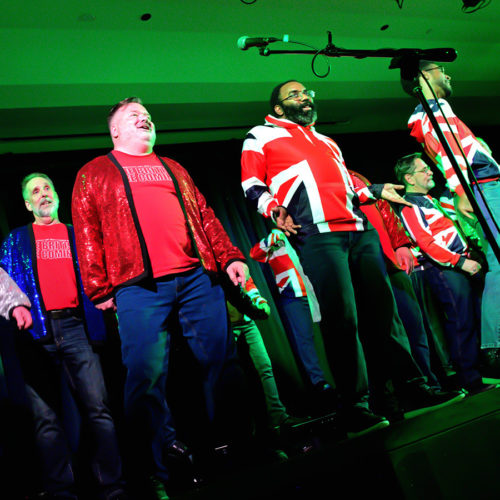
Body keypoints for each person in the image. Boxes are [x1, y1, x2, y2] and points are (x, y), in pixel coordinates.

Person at [241, 80, 461, 437]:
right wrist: (273, 208)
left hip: (360, 230)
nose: (304, 97)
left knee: (384, 312)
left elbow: (350, 187)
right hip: (318, 235)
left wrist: (374, 190)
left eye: (306, 92)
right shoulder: (260, 135)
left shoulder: (327, 141)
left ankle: (411, 388)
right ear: (279, 108)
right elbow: (251, 184)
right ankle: (355, 406)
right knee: (342, 318)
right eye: (293, 94)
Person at [71, 97, 248, 498]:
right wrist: (99, 288)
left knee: (222, 359)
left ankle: (228, 444)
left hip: (196, 278)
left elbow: (204, 214)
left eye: (147, 116)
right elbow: (86, 230)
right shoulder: (95, 172)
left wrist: (230, 256)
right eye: (134, 116)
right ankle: (159, 461)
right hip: (138, 286)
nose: (145, 119)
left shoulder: (174, 167)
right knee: (145, 375)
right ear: (115, 130)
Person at [0, 173, 126, 500]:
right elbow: (4, 287)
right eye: (35, 191)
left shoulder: (78, 235)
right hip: (36, 334)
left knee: (98, 408)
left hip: (75, 329)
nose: (44, 194)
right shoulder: (15, 240)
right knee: (45, 419)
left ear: (56, 195)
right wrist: (16, 310)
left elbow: (101, 273)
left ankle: (111, 486)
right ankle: (61, 491)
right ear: (27, 204)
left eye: (47, 188)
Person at [406, 61, 500, 370]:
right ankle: (493, 344)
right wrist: (462, 191)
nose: (447, 73)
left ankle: (493, 343)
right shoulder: (432, 109)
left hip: (484, 187)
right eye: (439, 68)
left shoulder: (434, 110)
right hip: (483, 188)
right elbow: (449, 153)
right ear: (423, 76)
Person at [394, 153, 495, 394]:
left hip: (463, 264)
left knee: (475, 318)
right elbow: (425, 242)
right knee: (461, 322)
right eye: (424, 170)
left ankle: (479, 372)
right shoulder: (410, 205)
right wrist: (459, 262)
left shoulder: (429, 200)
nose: (430, 172)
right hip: (445, 269)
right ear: (409, 178)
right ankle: (469, 379)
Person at [249, 229, 334, 404]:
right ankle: (319, 382)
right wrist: (273, 237)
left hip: (316, 287)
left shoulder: (304, 234)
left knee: (334, 330)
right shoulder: (275, 239)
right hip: (292, 294)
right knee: (304, 339)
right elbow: (254, 253)